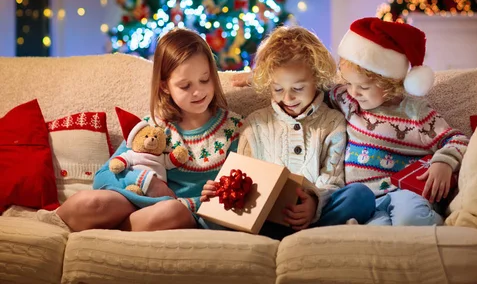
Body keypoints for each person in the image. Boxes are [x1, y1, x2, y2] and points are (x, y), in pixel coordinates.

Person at [37, 28, 242, 232]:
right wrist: (148, 183)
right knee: (89, 202)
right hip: (142, 200)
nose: (198, 91)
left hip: (183, 213)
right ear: (164, 86)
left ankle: (109, 233)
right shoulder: (154, 127)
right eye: (185, 86)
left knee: (171, 210)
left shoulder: (233, 128)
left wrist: (205, 199)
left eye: (205, 80)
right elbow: (103, 177)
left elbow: (239, 193)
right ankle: (53, 227)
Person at [202, 26, 374, 238]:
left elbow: (333, 179)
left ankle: (309, 232)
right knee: (209, 215)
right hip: (264, 217)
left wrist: (313, 202)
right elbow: (241, 174)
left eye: (298, 88)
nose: (288, 98)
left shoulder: (332, 122)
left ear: (317, 79)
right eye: (278, 89)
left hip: (316, 215)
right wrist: (222, 191)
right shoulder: (255, 123)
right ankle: (300, 235)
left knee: (360, 196)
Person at [333, 17, 469, 226]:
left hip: (405, 193)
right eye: (348, 83)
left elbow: (458, 140)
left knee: (409, 219)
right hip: (367, 203)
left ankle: (437, 223)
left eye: (364, 87)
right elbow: (315, 92)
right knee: (377, 232)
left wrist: (443, 162)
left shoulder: (415, 112)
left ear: (389, 83)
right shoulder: (347, 101)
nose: (353, 92)